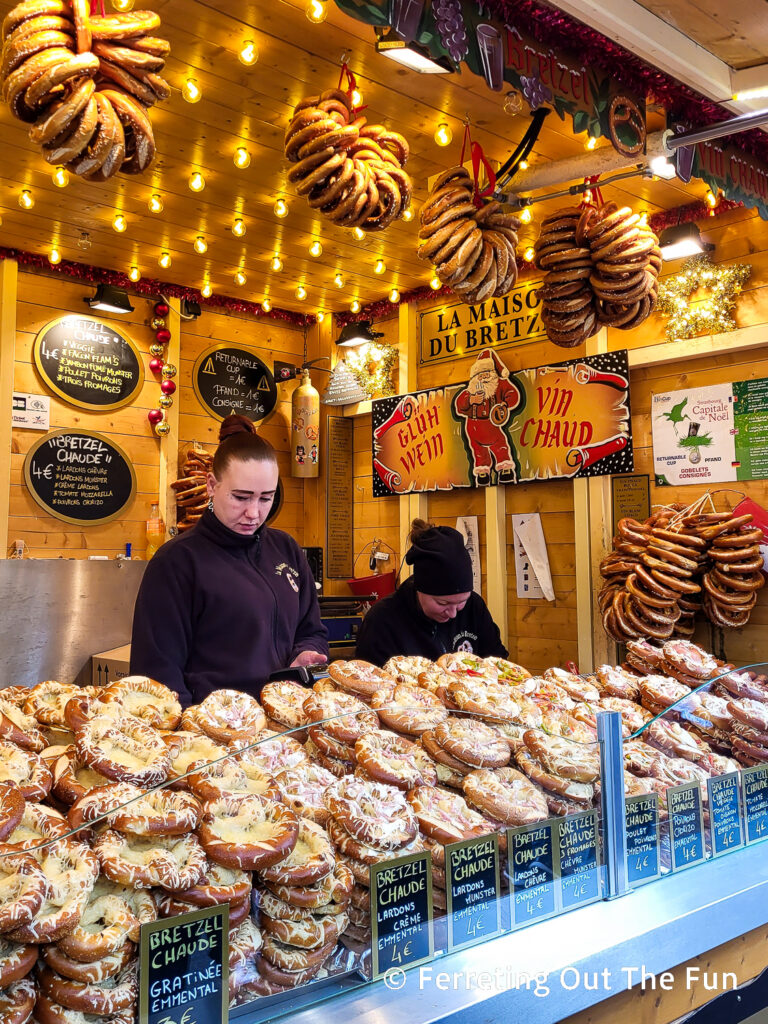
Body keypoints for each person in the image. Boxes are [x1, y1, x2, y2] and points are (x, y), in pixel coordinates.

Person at [130, 414, 328, 705]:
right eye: (241, 497)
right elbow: (157, 676)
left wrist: (307, 652)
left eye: (265, 498)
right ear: (212, 485)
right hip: (213, 730)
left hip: (283, 722)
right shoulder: (177, 562)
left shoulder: (286, 549)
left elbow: (312, 630)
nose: (253, 513)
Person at [355, 519, 507, 665]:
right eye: (443, 603)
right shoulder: (382, 621)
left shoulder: (474, 607)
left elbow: (498, 662)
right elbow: (368, 679)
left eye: (461, 602)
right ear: (420, 589)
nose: (453, 613)